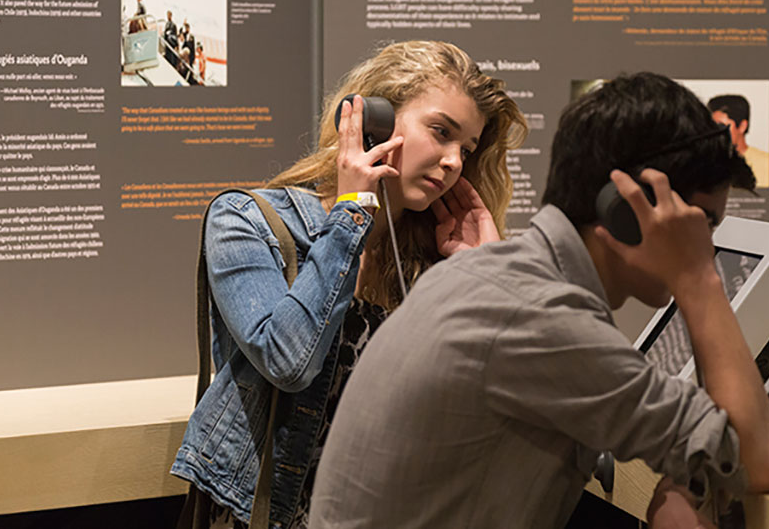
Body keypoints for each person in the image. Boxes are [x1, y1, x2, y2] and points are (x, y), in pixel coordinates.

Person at [310, 72, 769, 529]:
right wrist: (699, 278)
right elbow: (753, 461)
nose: (706, 244)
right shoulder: (537, 317)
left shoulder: (497, 282)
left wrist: (682, 482)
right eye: (703, 227)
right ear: (628, 211)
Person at [170, 40, 528, 528]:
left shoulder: (429, 262)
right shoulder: (248, 220)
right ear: (370, 122)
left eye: (465, 148)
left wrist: (484, 276)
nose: (453, 162)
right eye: (440, 132)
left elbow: (494, 410)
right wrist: (353, 212)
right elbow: (289, 360)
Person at [707, 94, 769, 188]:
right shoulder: (702, 164)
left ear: (742, 126)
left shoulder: (767, 164)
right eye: (711, 126)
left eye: (722, 126)